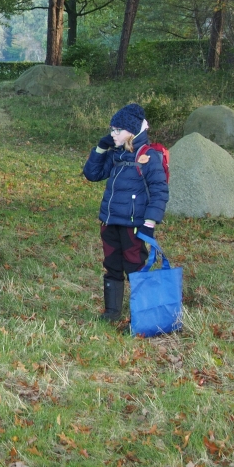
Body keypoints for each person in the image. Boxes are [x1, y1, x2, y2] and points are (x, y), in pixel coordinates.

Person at [83, 103, 169, 322]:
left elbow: (159, 191)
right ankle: (112, 313)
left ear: (132, 131)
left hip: (133, 226)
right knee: (112, 265)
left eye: (117, 130)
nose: (113, 134)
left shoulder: (149, 157)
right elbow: (92, 174)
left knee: (135, 267)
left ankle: (142, 314)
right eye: (111, 129)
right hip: (110, 222)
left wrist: (149, 223)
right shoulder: (115, 156)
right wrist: (101, 149)